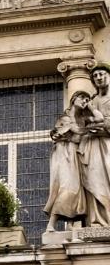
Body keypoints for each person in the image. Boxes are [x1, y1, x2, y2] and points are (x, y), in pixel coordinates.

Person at [44, 90, 90, 231]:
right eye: (82, 98)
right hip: (64, 154)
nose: (85, 101)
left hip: (76, 155)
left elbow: (79, 136)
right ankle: (51, 223)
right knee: (67, 187)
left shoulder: (83, 120)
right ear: (74, 99)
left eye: (87, 100)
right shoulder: (64, 118)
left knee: (76, 189)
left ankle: (70, 223)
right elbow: (58, 135)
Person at [78, 65, 110, 227]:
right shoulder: (92, 101)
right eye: (95, 75)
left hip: (108, 144)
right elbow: (83, 124)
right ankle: (98, 220)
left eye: (101, 74)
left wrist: (104, 127)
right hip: (93, 146)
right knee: (94, 178)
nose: (98, 77)